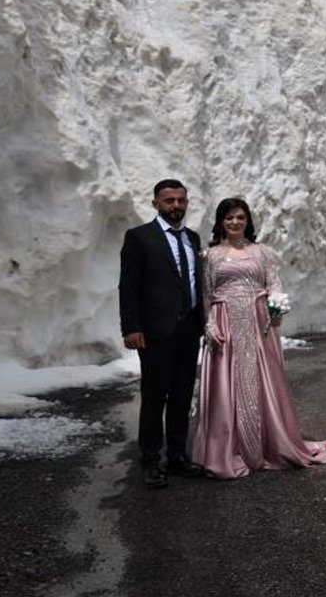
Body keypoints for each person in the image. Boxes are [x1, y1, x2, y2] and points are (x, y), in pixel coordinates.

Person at [190, 197, 326, 478]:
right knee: (225, 385)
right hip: (225, 322)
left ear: (248, 221)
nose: (234, 222)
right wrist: (208, 325)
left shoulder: (262, 252)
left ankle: (267, 444)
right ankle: (227, 448)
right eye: (229, 217)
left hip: (258, 323)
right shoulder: (210, 256)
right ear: (220, 222)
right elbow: (206, 295)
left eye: (240, 217)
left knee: (262, 381)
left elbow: (274, 285)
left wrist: (276, 307)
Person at [119, 178, 207, 489]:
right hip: (156, 332)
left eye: (181, 200)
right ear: (155, 203)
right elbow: (128, 287)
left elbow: (196, 284)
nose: (176, 206)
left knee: (182, 397)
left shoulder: (193, 239)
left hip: (188, 330)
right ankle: (150, 459)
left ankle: (178, 456)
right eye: (169, 201)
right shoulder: (140, 237)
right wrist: (131, 327)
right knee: (155, 397)